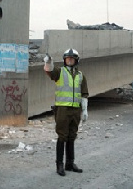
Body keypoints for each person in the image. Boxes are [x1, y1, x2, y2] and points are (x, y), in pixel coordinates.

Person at [43, 48, 89, 176]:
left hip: (75, 110)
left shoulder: (80, 75)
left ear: (76, 60)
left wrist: (84, 110)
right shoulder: (60, 72)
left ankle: (70, 163)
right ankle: (59, 165)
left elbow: (84, 94)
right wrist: (48, 62)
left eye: (72, 58)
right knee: (62, 136)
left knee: (72, 136)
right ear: (64, 60)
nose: (69, 60)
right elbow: (50, 71)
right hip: (62, 109)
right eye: (67, 58)